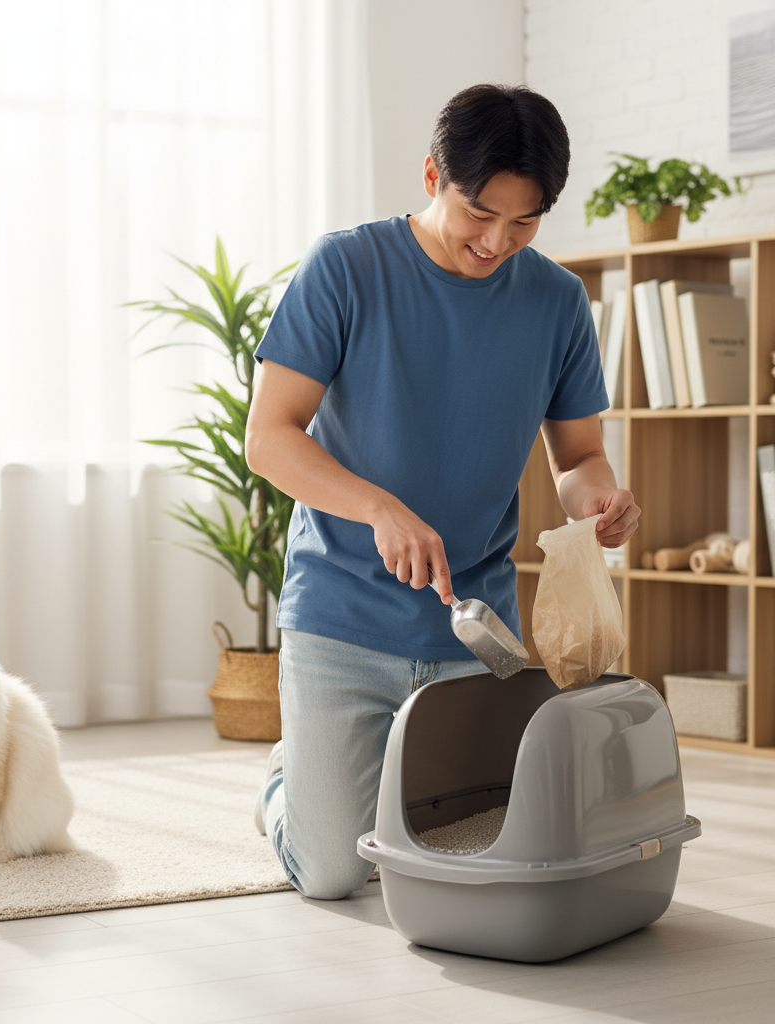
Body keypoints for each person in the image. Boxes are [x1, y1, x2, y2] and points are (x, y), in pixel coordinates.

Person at [243, 83, 640, 900]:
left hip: (476, 628)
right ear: (432, 175)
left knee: (463, 851)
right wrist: (378, 507)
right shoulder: (346, 266)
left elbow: (578, 457)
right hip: (341, 612)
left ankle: (345, 773)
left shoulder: (558, 302)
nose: (496, 241)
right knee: (331, 871)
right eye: (480, 212)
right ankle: (289, 779)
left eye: (524, 222)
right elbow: (269, 437)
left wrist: (598, 501)